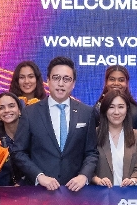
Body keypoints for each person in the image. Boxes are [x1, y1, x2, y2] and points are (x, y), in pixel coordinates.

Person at [11, 56, 98, 191]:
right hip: (39, 191)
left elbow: (91, 152)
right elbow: (18, 152)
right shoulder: (30, 113)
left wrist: (84, 176)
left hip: (75, 192)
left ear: (73, 83)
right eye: (56, 78)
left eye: (66, 79)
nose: (61, 83)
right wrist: (39, 176)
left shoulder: (86, 112)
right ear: (48, 80)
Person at [93, 87, 137, 187]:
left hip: (128, 194)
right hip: (101, 193)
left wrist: (133, 180)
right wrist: (97, 180)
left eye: (121, 107)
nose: (116, 112)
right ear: (104, 110)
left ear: (127, 109)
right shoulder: (94, 134)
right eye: (111, 107)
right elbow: (87, 166)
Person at [94, 65, 137, 133]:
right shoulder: (96, 111)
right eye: (112, 79)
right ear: (106, 82)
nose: (116, 83)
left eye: (121, 80)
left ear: (127, 83)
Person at [0, 91, 25, 186]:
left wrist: (22, 183)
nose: (6, 110)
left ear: (19, 111)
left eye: (11, 106)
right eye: (1, 108)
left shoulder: (32, 136)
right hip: (0, 190)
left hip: (29, 189)